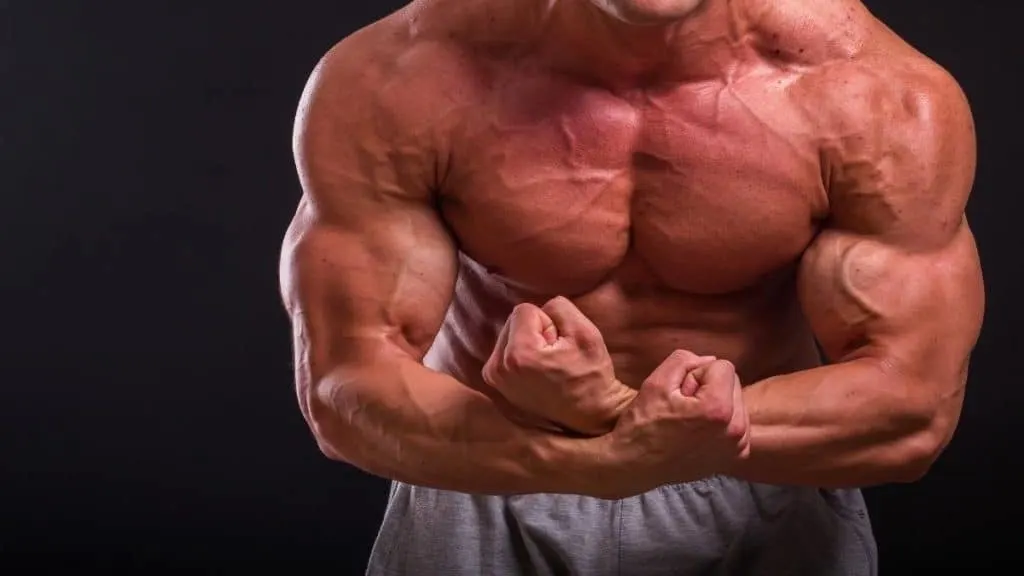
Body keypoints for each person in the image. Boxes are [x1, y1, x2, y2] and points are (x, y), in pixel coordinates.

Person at [279, 0, 983, 573]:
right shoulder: (397, 77)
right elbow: (345, 391)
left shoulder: (876, 97)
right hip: (484, 480)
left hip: (770, 487)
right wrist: (597, 461)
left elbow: (912, 409)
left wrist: (615, 418)